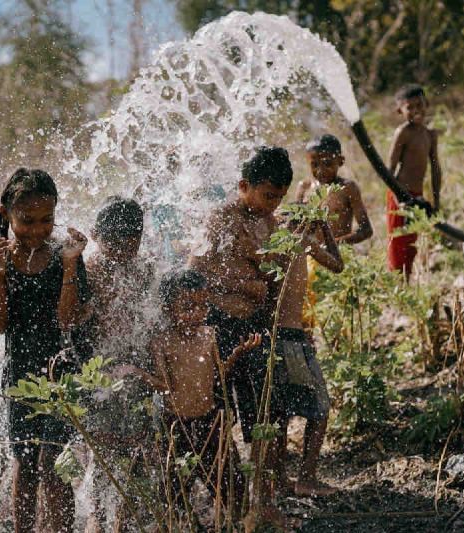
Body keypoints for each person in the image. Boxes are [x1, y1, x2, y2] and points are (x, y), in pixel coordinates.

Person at [0, 168, 90, 533]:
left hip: (61, 372)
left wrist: (70, 265)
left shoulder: (64, 254)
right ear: (6, 214)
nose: (39, 230)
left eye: (47, 220)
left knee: (54, 460)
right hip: (20, 372)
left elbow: (67, 320)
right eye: (28, 220)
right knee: (24, 459)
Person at [188, 146, 293, 526]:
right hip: (218, 327)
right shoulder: (221, 218)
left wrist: (262, 272)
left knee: (263, 416)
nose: (272, 204)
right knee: (218, 415)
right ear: (244, 186)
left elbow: (276, 277)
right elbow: (194, 271)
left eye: (279, 198)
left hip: (256, 330)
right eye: (268, 196)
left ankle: (262, 502)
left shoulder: (271, 225)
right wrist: (244, 281)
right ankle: (225, 499)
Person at [122, 270, 258, 522]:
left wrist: (238, 353)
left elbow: (217, 375)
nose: (197, 313)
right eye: (187, 307)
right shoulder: (162, 342)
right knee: (173, 494)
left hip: (209, 423)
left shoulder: (209, 335)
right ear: (167, 309)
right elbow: (164, 387)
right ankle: (184, 525)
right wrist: (137, 372)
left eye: (202, 306)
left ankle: (236, 525)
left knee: (233, 484)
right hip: (177, 427)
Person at [82, 196, 158, 533]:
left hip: (136, 362)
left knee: (139, 442)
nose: (124, 253)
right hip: (100, 368)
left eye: (132, 245)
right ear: (97, 236)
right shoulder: (90, 269)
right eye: (117, 246)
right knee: (103, 445)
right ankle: (98, 516)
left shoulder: (144, 269)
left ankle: (128, 516)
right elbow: (79, 325)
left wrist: (154, 366)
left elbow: (152, 320)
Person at [270, 219, 343, 497]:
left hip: (278, 337)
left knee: (279, 412)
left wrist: (322, 228)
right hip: (289, 339)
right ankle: (306, 478)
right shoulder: (298, 241)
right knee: (319, 406)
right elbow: (337, 264)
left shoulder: (277, 240)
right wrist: (324, 229)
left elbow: (336, 265)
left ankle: (280, 479)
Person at [387, 85, 443, 281]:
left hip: (417, 195)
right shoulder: (403, 133)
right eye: (410, 107)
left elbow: (436, 170)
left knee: (411, 241)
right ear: (400, 111)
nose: (416, 110)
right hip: (400, 195)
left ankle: (406, 283)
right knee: (398, 242)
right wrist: (399, 198)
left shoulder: (430, 134)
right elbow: (389, 169)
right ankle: (397, 285)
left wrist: (436, 203)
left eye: (420, 104)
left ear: (426, 104)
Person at [295, 134, 373, 245]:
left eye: (327, 163)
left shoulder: (347, 188)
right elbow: (296, 225)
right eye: (314, 164)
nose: (320, 170)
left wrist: (333, 245)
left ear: (340, 161)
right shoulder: (304, 187)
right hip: (311, 257)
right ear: (308, 162)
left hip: (340, 255)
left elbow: (366, 230)